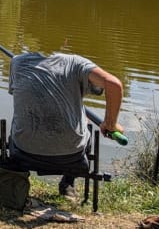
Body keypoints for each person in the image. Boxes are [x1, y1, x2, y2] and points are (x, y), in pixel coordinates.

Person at [8, 51, 124, 200]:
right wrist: (111, 124)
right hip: (71, 157)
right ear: (65, 41)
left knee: (19, 116)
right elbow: (113, 84)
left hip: (23, 153)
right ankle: (68, 182)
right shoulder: (76, 63)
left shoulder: (17, 61)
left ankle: (18, 182)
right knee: (86, 124)